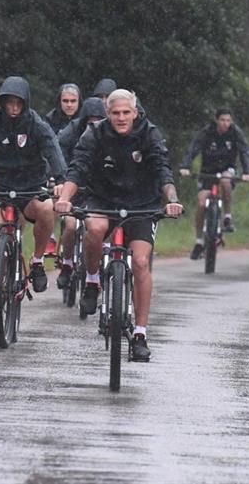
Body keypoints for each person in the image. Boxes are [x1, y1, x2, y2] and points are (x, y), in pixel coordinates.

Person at [54, 89, 183, 362]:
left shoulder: (149, 133)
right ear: (107, 113)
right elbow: (77, 168)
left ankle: (140, 333)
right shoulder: (95, 134)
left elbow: (163, 170)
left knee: (140, 262)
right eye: (115, 113)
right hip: (103, 200)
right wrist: (65, 198)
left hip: (142, 205)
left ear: (135, 113)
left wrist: (171, 200)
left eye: (126, 113)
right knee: (95, 229)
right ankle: (91, 281)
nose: (121, 118)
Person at [0, 76, 67, 323]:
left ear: (25, 103)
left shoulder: (36, 124)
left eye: (19, 103)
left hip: (29, 187)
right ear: (3, 102)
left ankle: (37, 260)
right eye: (10, 103)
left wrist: (60, 178)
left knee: (48, 209)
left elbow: (52, 148)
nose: (14, 108)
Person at [179, 108, 249, 260]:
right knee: (201, 203)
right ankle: (199, 241)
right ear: (216, 120)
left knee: (225, 181)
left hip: (227, 169)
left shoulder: (235, 133)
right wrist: (185, 166)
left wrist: (247, 171)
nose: (226, 124)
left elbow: (244, 151)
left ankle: (227, 216)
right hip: (208, 171)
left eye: (228, 120)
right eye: (223, 120)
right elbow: (194, 148)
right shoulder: (207, 132)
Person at [54, 98, 107, 289]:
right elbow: (57, 153)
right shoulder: (70, 133)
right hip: (74, 185)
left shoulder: (108, 133)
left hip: (98, 190)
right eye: (89, 121)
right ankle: (67, 263)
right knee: (69, 225)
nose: (93, 125)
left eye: (98, 120)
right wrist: (61, 180)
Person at [43, 83, 83, 256]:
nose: (69, 105)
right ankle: (50, 237)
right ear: (59, 102)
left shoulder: (86, 119)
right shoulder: (49, 120)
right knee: (52, 188)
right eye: (65, 101)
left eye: (73, 101)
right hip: (57, 168)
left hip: (80, 167)